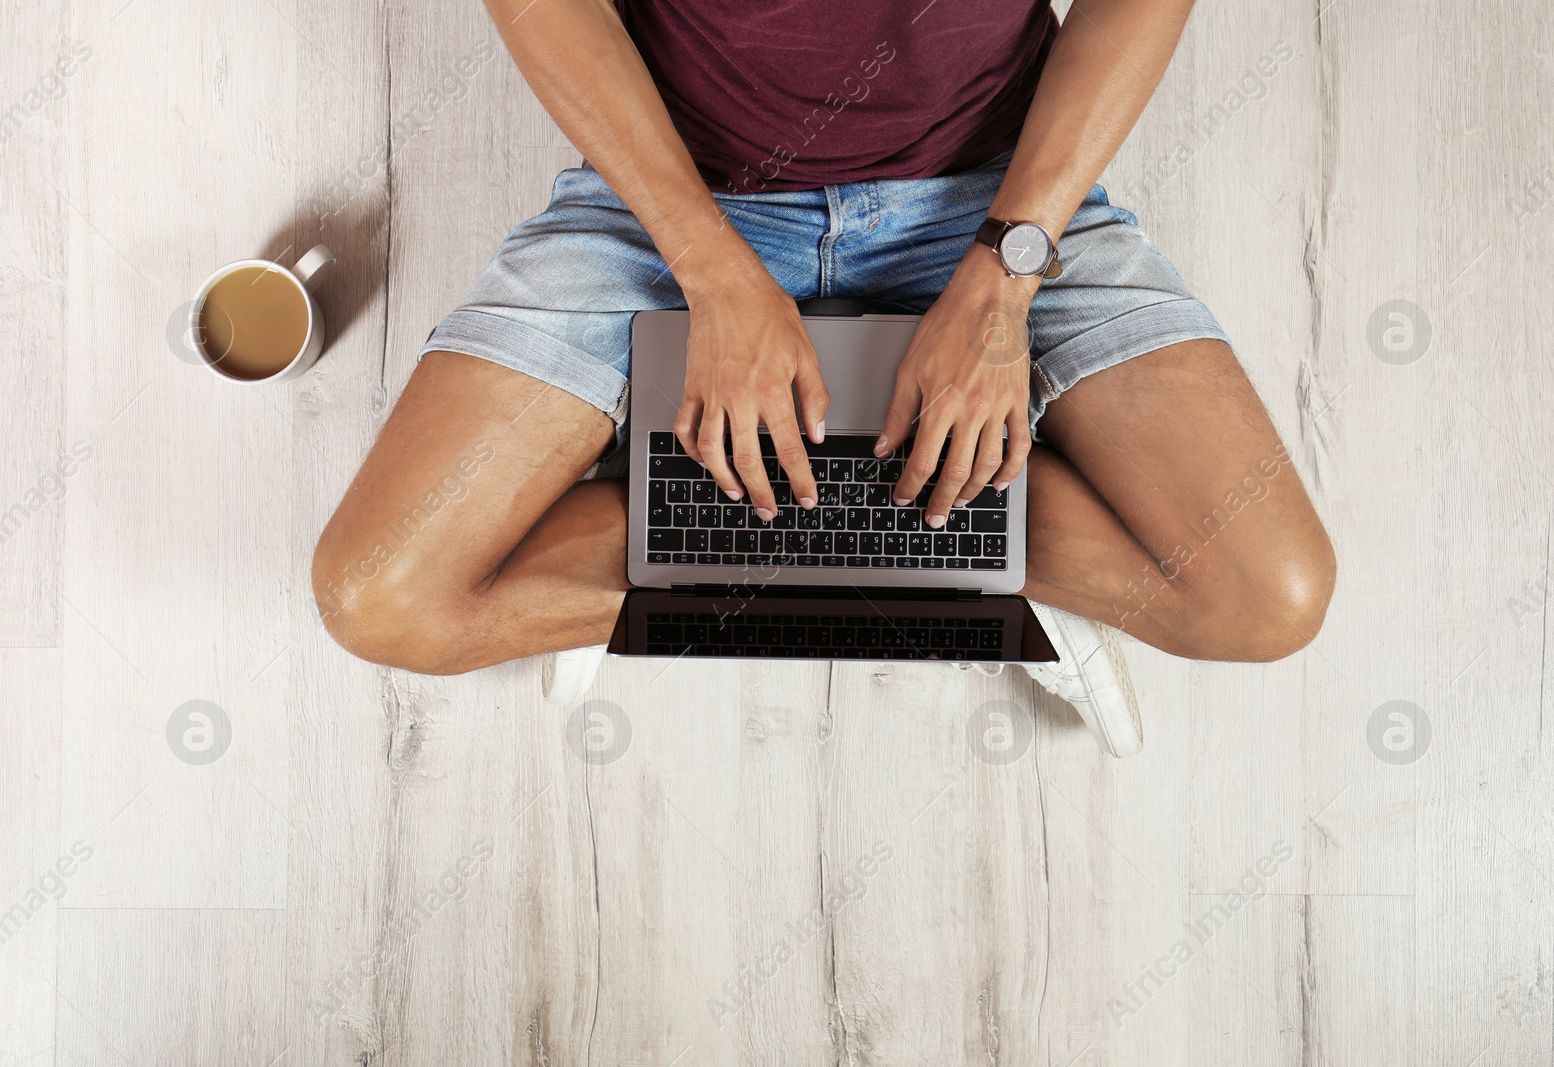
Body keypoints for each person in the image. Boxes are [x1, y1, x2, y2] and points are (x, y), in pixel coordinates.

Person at [311, 0, 1336, 757]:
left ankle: (677, 545)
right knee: (385, 597)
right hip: (675, 196)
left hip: (997, 196)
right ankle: (976, 564)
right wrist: (710, 268)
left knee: (1262, 597)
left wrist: (1000, 280)